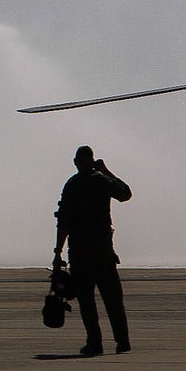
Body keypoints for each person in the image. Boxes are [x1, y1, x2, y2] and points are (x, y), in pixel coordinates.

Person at [53, 145, 132, 356]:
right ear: (93, 161)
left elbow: (63, 222)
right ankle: (122, 341)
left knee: (87, 302)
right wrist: (106, 171)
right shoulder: (102, 181)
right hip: (103, 252)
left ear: (76, 162)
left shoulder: (72, 185)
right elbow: (125, 194)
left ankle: (94, 343)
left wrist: (57, 252)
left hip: (81, 254)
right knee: (113, 300)